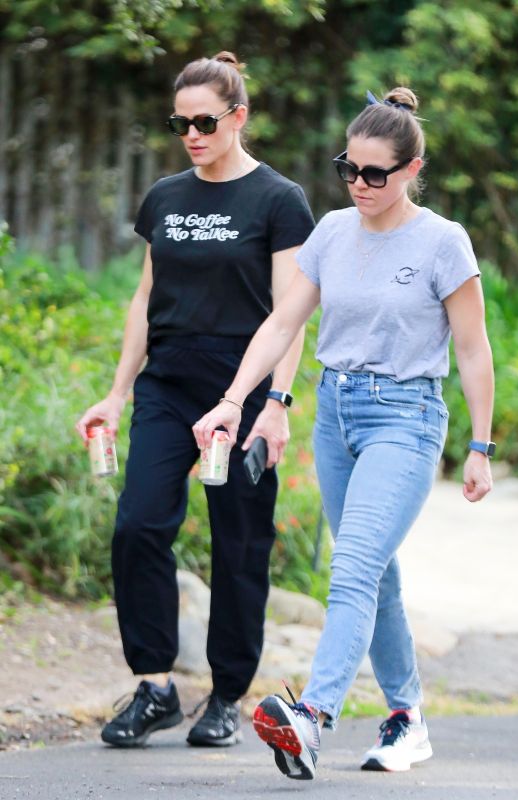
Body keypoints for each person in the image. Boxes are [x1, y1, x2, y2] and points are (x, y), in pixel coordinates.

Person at [192, 87, 494, 778]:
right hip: (336, 414)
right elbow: (281, 323)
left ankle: (313, 714)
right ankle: (406, 717)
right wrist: (235, 400)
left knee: (352, 567)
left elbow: (473, 351)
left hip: (406, 418)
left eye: (374, 174)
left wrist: (479, 446)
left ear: (412, 169)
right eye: (347, 170)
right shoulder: (330, 230)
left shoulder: (442, 242)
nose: (358, 184)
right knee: (375, 573)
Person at [76, 51, 314, 749]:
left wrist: (276, 403)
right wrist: (118, 393)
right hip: (168, 384)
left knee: (239, 544)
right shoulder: (166, 197)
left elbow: (288, 313)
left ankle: (227, 695)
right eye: (180, 123)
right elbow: (146, 297)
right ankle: (154, 685)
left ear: (237, 117)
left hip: (241, 390)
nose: (191, 134)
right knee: (137, 526)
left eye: (205, 121)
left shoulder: (278, 200)